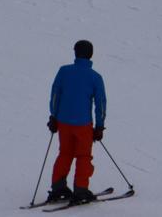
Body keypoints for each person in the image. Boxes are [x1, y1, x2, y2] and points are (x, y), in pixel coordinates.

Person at [46, 39, 107, 205]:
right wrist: (99, 126)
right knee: (83, 156)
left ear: (75, 53)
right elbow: (100, 103)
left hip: (63, 123)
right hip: (83, 125)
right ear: (91, 55)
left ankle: (58, 187)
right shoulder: (95, 77)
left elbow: (55, 94)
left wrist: (53, 116)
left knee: (65, 153)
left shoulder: (64, 72)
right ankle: (80, 190)